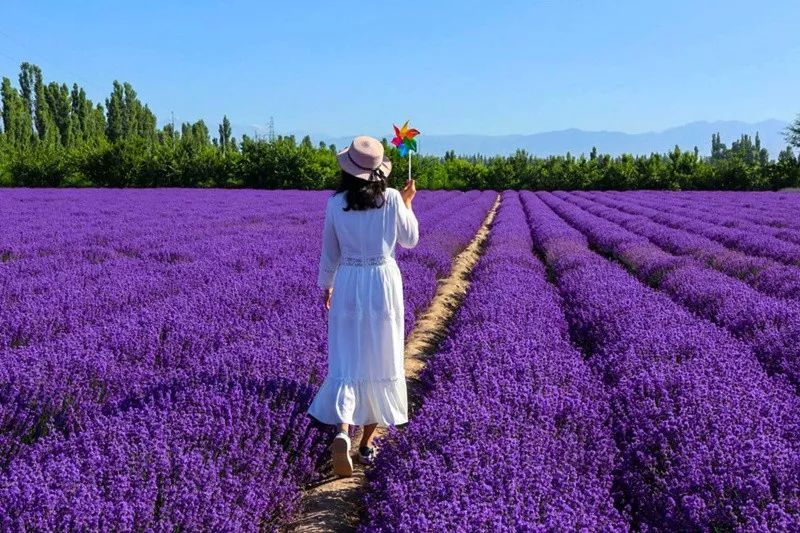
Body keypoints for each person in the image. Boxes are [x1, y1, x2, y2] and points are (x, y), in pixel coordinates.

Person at [307, 135, 418, 477]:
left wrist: (326, 285)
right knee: (379, 356)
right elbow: (411, 240)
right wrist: (409, 203)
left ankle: (343, 430)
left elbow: (330, 252)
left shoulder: (335, 203)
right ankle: (366, 444)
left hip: (349, 281)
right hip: (383, 281)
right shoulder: (393, 199)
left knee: (348, 356)